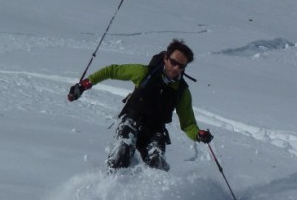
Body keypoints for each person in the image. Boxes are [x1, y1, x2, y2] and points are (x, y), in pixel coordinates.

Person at [67, 39, 213, 171]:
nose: (176, 68)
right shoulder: (144, 73)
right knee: (123, 150)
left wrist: (198, 134)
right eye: (173, 62)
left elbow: (188, 124)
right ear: (166, 58)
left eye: (181, 66)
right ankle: (111, 184)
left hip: (155, 130)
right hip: (132, 120)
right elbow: (112, 71)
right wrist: (84, 85)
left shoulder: (182, 91)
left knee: (156, 162)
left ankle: (149, 195)